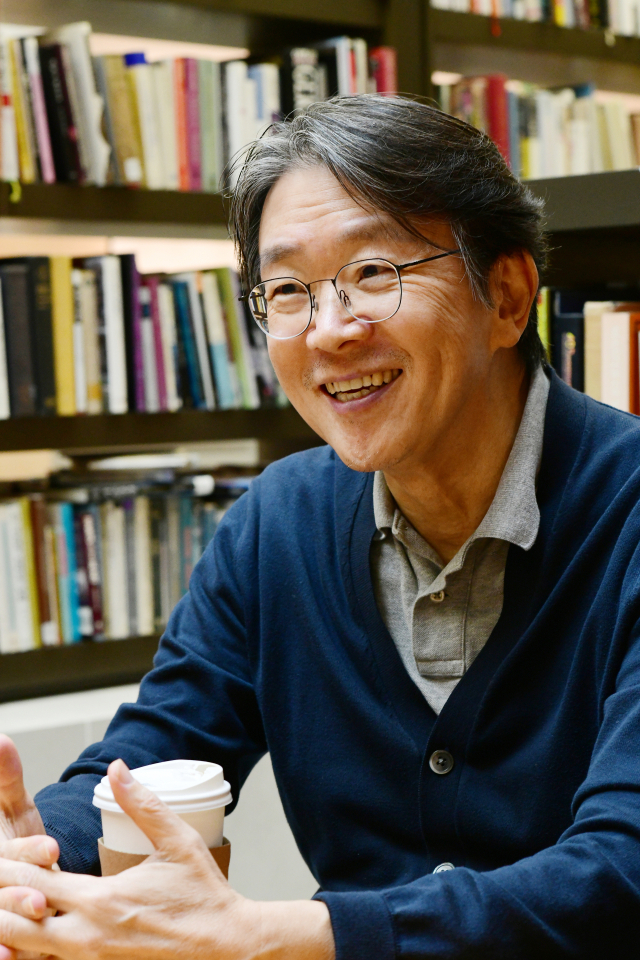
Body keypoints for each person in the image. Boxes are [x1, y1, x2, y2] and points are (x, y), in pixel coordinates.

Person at [0, 93, 637, 959]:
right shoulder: (278, 524)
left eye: (374, 272)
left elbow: (621, 873)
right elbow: (157, 749)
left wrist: (275, 938)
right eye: (289, 290)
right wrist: (40, 854)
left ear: (508, 296)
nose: (329, 331)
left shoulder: (626, 513)